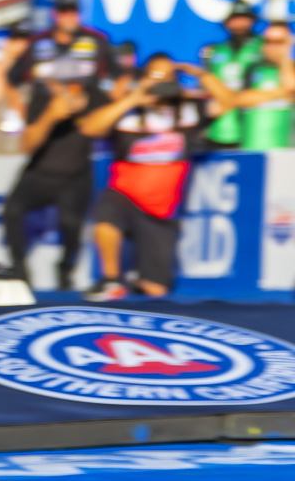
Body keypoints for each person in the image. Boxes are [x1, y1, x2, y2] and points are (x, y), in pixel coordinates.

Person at [76, 55, 234, 300]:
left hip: (161, 211)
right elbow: (89, 128)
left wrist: (201, 74)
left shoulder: (188, 112)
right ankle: (111, 279)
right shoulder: (129, 113)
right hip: (125, 195)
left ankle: (140, 278)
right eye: (156, 77)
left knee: (156, 290)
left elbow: (228, 102)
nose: (162, 84)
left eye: (167, 77)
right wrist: (133, 98)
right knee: (106, 214)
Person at [3, 78, 102, 290]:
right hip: (38, 173)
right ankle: (19, 269)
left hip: (76, 177)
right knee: (12, 212)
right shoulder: (40, 100)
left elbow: (99, 129)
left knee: (71, 223)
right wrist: (51, 115)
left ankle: (66, 270)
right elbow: (27, 145)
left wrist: (81, 111)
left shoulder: (96, 96)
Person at [8, 0, 121, 92]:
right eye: (64, 11)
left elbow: (120, 75)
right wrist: (20, 109)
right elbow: (12, 79)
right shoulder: (37, 42)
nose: (69, 17)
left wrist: (109, 103)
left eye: (73, 11)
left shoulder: (97, 40)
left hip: (88, 108)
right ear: (55, 14)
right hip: (45, 109)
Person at [201, 0, 263, 148]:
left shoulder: (264, 47)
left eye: (244, 19)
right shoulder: (214, 51)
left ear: (252, 21)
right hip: (218, 127)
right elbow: (206, 86)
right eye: (235, 19)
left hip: (255, 126)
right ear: (227, 23)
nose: (239, 24)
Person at [236, 22, 295, 150]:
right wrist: (281, 93)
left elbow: (291, 88)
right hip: (252, 149)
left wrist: (285, 57)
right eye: (268, 41)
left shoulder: (291, 68)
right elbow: (240, 100)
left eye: (279, 41)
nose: (272, 46)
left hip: (287, 152)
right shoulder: (253, 68)